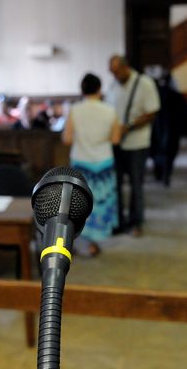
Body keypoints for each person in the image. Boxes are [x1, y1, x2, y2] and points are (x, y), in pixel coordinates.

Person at [62, 73, 121, 255]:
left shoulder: (75, 110)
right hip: (104, 162)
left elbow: (67, 138)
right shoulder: (110, 110)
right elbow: (116, 139)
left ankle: (82, 242)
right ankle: (94, 242)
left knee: (80, 203)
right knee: (101, 202)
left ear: (82, 90)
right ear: (99, 89)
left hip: (81, 162)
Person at [105, 55, 160, 237]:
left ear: (125, 67)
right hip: (117, 143)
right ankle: (119, 221)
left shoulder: (144, 83)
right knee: (117, 184)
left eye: (117, 71)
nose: (114, 76)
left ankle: (136, 222)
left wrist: (128, 127)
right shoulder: (113, 86)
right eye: (112, 73)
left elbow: (152, 112)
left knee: (136, 184)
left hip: (137, 143)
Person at [150, 71, 187, 186]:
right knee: (169, 153)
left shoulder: (155, 94)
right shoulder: (176, 95)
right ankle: (166, 175)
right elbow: (185, 113)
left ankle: (159, 173)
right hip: (172, 129)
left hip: (157, 128)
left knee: (157, 152)